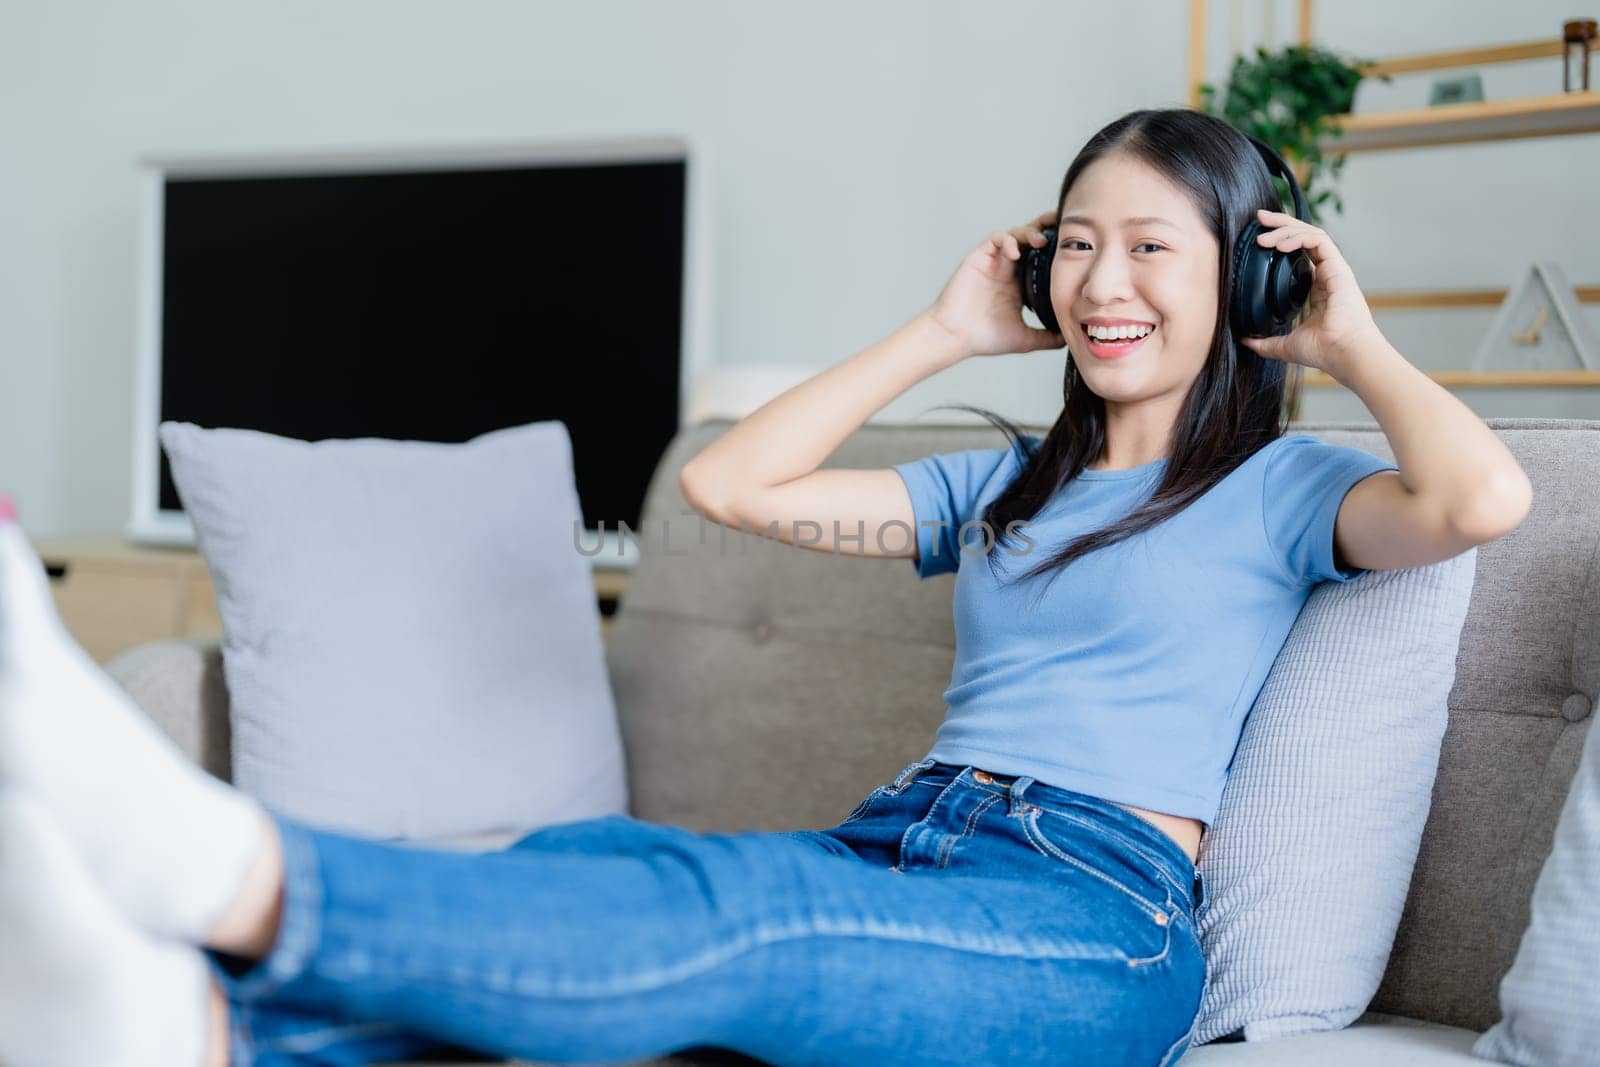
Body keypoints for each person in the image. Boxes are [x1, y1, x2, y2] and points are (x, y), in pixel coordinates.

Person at [0, 107, 1529, 1067]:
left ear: (1247, 275)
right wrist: (939, 334)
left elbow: (1482, 499)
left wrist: (1344, 342)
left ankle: (226, 868)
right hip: (901, 844)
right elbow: (731, 485)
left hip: (1092, 915)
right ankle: (195, 1029)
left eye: (1149, 248)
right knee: (591, 862)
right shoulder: (1000, 485)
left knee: (731, 907)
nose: (1100, 283)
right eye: (1076, 246)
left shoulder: (1285, 491)